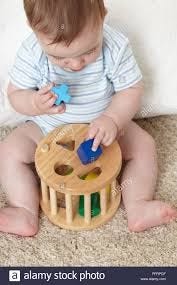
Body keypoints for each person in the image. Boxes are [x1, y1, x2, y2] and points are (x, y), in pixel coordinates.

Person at [0, 0, 176, 236]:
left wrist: (113, 119)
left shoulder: (115, 46)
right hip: (48, 130)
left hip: (104, 131)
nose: (75, 65)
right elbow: (15, 94)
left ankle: (138, 205)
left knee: (145, 146)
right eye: (60, 58)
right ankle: (24, 210)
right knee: (8, 151)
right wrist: (33, 103)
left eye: (88, 51)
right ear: (35, 31)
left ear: (102, 17)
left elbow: (131, 90)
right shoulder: (33, 51)